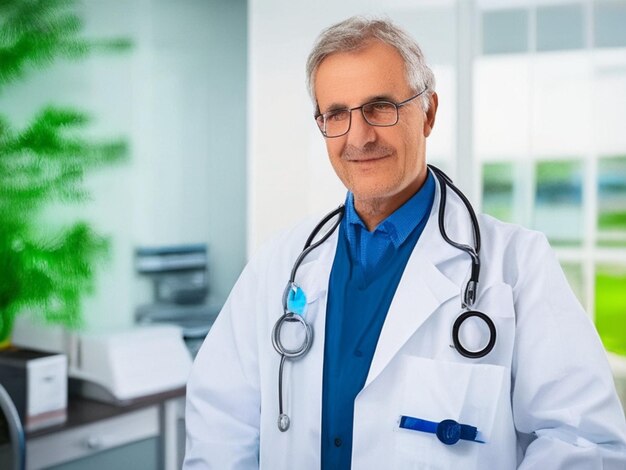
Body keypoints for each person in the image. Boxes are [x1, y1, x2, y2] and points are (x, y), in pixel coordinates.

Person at [184, 16, 626, 469]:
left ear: (428, 112)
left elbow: (583, 442)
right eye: (337, 114)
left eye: (380, 107)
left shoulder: (516, 265)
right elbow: (220, 427)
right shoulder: (279, 264)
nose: (359, 136)